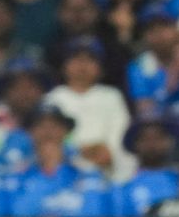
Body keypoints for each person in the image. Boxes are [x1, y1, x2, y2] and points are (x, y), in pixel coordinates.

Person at [0, 104, 113, 216]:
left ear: (65, 132)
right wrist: (48, 172)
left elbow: (95, 213)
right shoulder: (14, 177)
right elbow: (19, 212)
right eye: (40, 126)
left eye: (54, 126)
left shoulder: (88, 175)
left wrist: (57, 169)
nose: (48, 132)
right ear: (30, 133)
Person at [45, 37, 132, 178]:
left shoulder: (111, 96)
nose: (82, 65)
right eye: (76, 59)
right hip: (65, 171)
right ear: (64, 66)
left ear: (101, 68)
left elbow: (119, 137)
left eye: (90, 60)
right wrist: (79, 151)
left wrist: (103, 152)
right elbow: (51, 140)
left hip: (107, 171)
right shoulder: (53, 99)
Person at [115, 115, 179, 217]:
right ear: (135, 144)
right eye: (145, 139)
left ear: (169, 142)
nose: (152, 144)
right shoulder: (123, 186)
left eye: (158, 138)